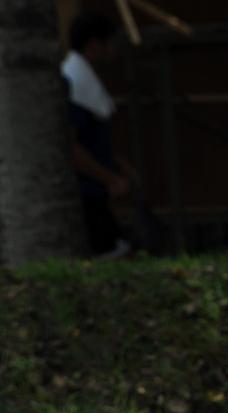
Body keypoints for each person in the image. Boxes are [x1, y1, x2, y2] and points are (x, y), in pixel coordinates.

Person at [61, 11, 131, 258]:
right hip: (84, 194)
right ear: (94, 45)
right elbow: (71, 146)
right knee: (114, 254)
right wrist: (109, 178)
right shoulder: (74, 83)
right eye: (110, 42)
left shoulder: (84, 79)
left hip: (95, 191)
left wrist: (118, 166)